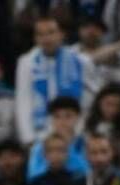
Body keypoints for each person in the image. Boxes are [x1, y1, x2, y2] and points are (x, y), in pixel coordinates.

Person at [14, 15, 97, 146]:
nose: (46, 39)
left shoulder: (81, 61)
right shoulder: (27, 63)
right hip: (40, 133)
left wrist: (82, 130)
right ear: (35, 38)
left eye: (51, 33)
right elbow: (23, 100)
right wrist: (28, 138)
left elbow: (91, 98)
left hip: (76, 131)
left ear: (61, 34)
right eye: (40, 34)